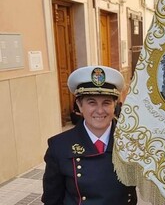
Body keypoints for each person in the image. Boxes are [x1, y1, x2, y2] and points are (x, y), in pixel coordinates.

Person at [42, 65, 137, 204]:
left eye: (106, 103)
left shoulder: (131, 141)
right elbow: (52, 200)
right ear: (79, 106)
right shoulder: (59, 146)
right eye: (92, 103)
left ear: (115, 105)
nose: (100, 111)